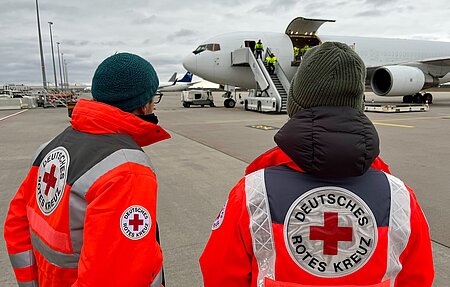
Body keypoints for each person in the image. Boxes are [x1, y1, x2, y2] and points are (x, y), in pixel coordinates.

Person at [200, 42, 434, 287]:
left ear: (294, 105)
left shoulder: (251, 194)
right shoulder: (400, 199)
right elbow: (418, 277)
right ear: (358, 105)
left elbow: (220, 275)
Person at [4, 52, 171, 287]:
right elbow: (114, 277)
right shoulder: (127, 170)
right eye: (154, 98)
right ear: (144, 105)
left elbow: (17, 225)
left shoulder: (51, 147)